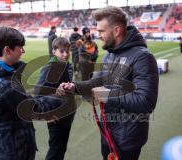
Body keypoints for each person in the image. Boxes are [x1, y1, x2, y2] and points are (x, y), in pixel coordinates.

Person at [59, 6, 159, 160]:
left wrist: (107, 95)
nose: (98, 35)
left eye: (101, 31)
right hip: (107, 132)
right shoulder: (109, 55)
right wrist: (76, 87)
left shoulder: (143, 58)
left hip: (127, 139)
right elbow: (97, 81)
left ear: (117, 30)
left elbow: (146, 102)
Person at [0, 26, 62, 160]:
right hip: (10, 152)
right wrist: (60, 95)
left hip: (12, 146)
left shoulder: (6, 73)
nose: (23, 51)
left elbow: (21, 103)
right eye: (20, 47)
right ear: (7, 50)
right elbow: (32, 108)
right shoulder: (3, 85)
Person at [34, 37, 76, 160]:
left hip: (67, 114)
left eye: (68, 51)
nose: (66, 54)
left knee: (61, 148)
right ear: (54, 52)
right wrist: (47, 114)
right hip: (56, 117)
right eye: (62, 51)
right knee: (55, 150)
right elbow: (38, 93)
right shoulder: (50, 67)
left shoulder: (67, 65)